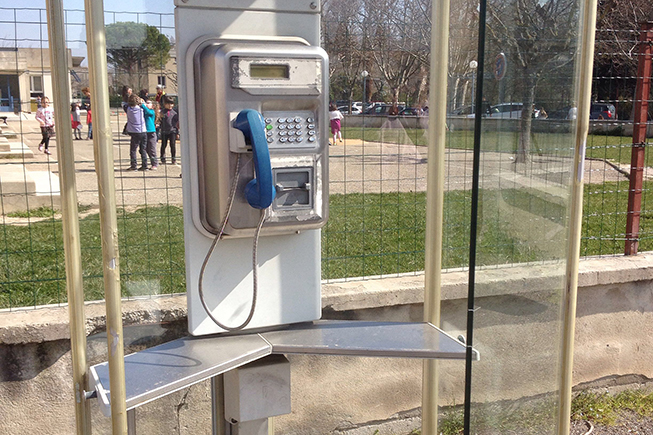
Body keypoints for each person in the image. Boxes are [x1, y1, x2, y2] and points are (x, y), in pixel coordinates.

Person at [125, 94, 148, 171]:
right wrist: (141, 102)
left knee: (133, 150)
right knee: (143, 149)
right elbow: (145, 106)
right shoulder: (141, 108)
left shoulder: (128, 109)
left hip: (134, 131)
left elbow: (125, 105)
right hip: (143, 130)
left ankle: (134, 165)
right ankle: (145, 165)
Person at [159, 96, 179, 164]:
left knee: (172, 145)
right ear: (165, 104)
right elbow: (159, 121)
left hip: (172, 131)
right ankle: (162, 158)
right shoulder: (162, 112)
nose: (170, 105)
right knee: (163, 145)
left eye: (171, 104)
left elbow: (177, 124)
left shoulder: (175, 113)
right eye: (168, 104)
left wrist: (177, 133)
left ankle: (173, 158)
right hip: (164, 131)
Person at [141, 98, 159, 170]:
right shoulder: (143, 111)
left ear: (153, 106)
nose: (146, 104)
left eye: (148, 103)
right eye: (146, 103)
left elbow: (147, 111)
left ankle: (155, 163)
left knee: (152, 148)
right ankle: (148, 162)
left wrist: (142, 104)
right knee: (146, 149)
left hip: (151, 132)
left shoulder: (151, 112)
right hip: (144, 132)